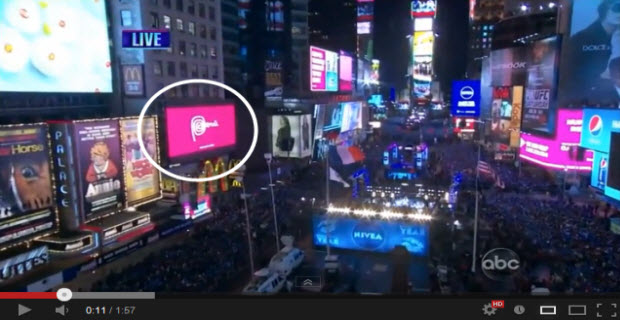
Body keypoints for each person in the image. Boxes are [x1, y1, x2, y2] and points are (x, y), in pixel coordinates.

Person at [563, 0, 620, 103]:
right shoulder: (580, 39)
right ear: (605, 10)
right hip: (584, 101)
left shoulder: (616, 38)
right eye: (617, 8)